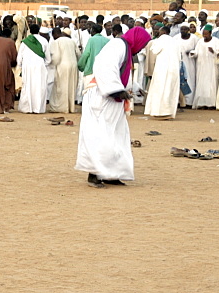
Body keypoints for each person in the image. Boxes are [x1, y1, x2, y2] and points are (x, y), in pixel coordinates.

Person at [75, 26, 151, 187]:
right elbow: (104, 67)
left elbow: (122, 74)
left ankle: (112, 174)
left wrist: (135, 88)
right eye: (143, 45)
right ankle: (94, 174)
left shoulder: (126, 49)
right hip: (102, 98)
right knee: (101, 136)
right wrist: (116, 90)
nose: (142, 49)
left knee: (117, 137)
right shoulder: (118, 45)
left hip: (112, 99)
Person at [144, 26, 180, 118]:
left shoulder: (161, 39)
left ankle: (160, 112)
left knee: (160, 89)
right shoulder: (174, 41)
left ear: (163, 32)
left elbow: (154, 50)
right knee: (169, 90)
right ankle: (169, 112)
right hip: (174, 69)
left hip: (162, 68)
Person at [17, 24, 50, 113]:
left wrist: (20, 66)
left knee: (28, 86)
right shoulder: (44, 40)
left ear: (30, 31)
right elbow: (48, 59)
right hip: (40, 66)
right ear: (39, 30)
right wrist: (43, 64)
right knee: (39, 86)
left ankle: (27, 108)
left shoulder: (24, 42)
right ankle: (38, 108)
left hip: (27, 66)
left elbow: (19, 57)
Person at [48, 28, 78, 113]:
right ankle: (71, 107)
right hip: (73, 65)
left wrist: (52, 64)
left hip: (63, 65)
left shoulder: (56, 42)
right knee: (71, 86)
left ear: (55, 34)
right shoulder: (71, 41)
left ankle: (63, 108)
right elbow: (78, 54)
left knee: (62, 86)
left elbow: (56, 57)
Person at [190, 25, 219, 108]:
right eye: (203, 34)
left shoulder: (216, 41)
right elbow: (196, 52)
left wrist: (213, 51)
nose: (205, 36)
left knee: (211, 84)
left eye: (206, 34)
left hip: (212, 66)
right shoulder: (200, 41)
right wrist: (193, 53)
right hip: (201, 66)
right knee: (201, 84)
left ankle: (211, 104)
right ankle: (201, 103)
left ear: (210, 33)